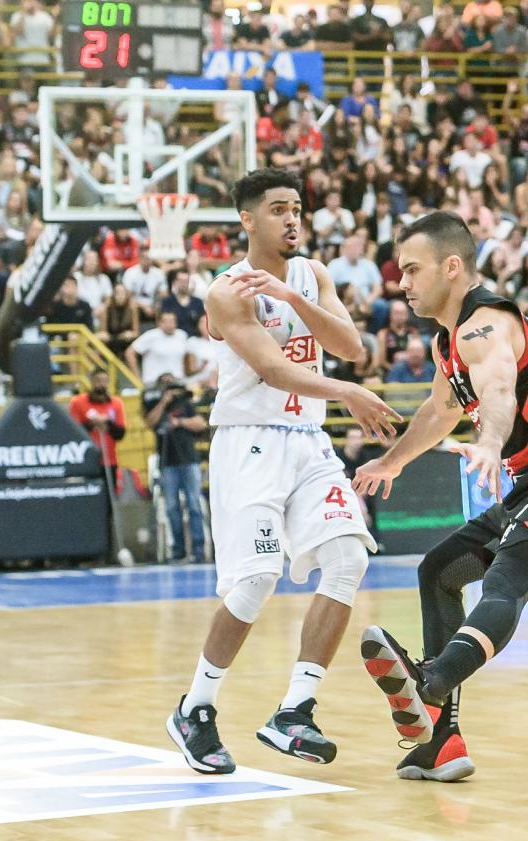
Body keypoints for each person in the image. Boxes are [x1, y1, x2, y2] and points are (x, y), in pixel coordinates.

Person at [353, 211, 528, 782]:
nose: (403, 282)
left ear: (453, 267)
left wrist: (491, 441)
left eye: (412, 269)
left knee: (504, 582)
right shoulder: (450, 341)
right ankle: (441, 743)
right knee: (440, 570)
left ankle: (427, 685)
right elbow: (440, 410)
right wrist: (391, 461)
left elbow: (498, 389)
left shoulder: (486, 323)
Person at [167, 169, 398, 774]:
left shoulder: (311, 274)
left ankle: (294, 710)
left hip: (307, 438)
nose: (292, 219)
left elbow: (350, 345)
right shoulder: (227, 291)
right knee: (257, 580)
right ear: (248, 220)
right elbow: (273, 370)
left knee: (349, 557)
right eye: (277, 209)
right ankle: (196, 707)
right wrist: (347, 391)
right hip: (249, 444)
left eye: (297, 208)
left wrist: (298, 299)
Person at [143, 374, 207, 564]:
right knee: (171, 507)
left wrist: (179, 422)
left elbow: (200, 423)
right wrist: (164, 402)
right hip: (167, 461)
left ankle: (198, 550)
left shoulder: (184, 402)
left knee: (194, 504)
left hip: (188, 459)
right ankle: (178, 551)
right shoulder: (153, 402)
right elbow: (150, 422)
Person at [68, 368, 126, 484]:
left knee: (109, 494)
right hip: (86, 459)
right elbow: (73, 432)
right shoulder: (78, 402)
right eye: (98, 380)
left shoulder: (116, 403)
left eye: (105, 381)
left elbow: (120, 433)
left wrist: (108, 422)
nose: (101, 384)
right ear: (92, 382)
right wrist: (92, 423)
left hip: (109, 459)